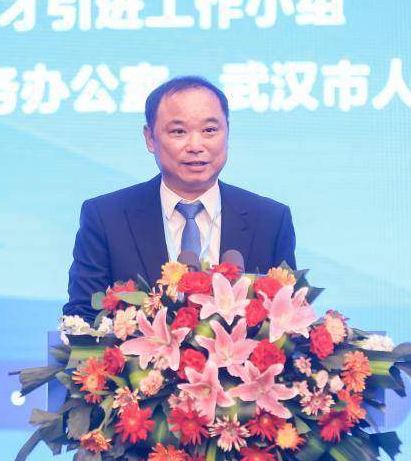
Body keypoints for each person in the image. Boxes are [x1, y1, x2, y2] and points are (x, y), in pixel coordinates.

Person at [62, 76, 296, 323]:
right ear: (150, 138)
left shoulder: (270, 220)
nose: (195, 145)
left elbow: (288, 317)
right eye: (178, 132)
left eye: (209, 130)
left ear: (227, 132)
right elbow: (82, 318)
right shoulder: (106, 217)